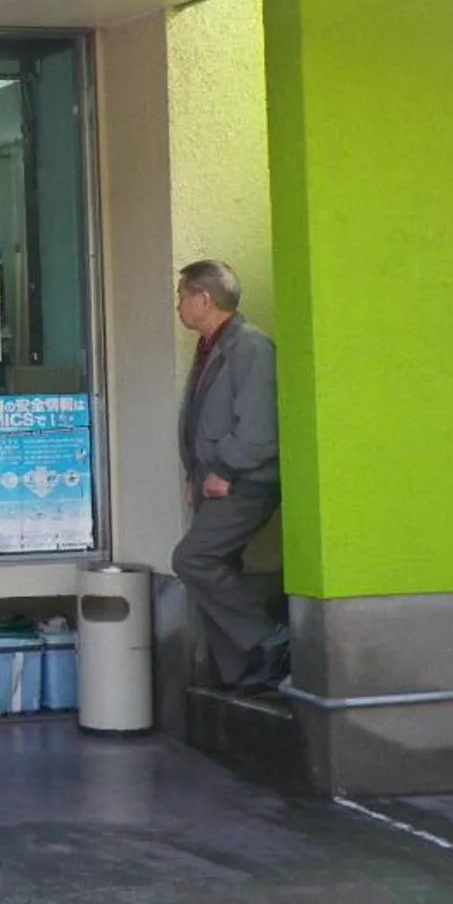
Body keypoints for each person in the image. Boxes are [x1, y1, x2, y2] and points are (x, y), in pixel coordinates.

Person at [173, 260, 291, 690]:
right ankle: (245, 671)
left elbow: (260, 428)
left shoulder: (250, 347)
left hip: (245, 482)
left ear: (205, 299)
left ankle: (271, 638)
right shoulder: (212, 346)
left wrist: (223, 468)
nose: (178, 305)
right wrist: (195, 473)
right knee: (220, 566)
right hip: (215, 480)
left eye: (182, 295)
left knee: (193, 559)